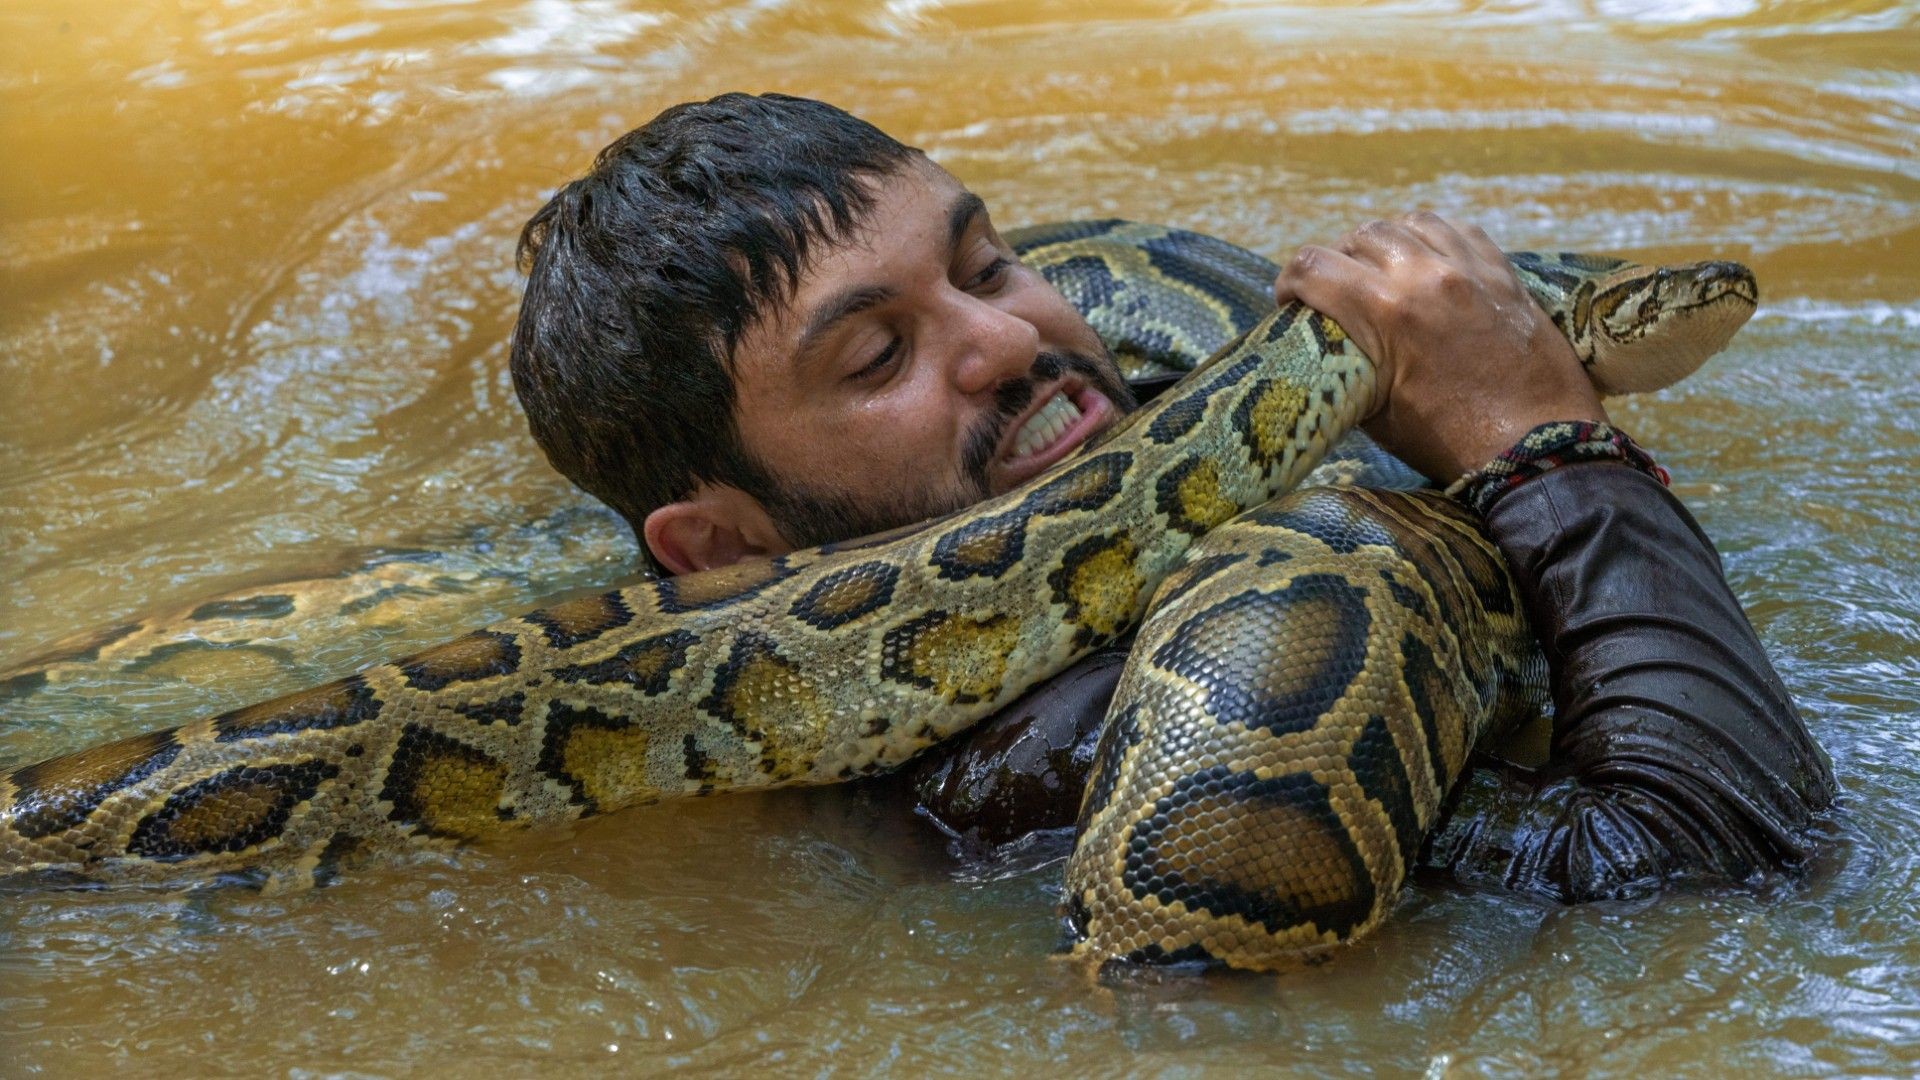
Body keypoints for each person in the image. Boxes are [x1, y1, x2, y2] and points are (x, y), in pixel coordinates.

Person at [509, 92, 1834, 909]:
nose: (1010, 340)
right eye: (878, 356)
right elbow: (1713, 867)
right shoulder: (1068, 765)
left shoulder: (1177, 410)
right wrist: (1536, 445)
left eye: (987, 261)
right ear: (725, 550)